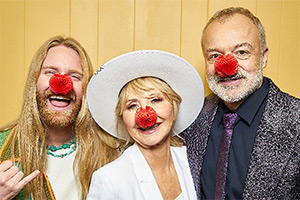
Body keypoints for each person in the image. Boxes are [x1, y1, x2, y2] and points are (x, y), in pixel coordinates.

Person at [184, 7, 300, 200]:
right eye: (214, 56)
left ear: (263, 57)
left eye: (241, 52)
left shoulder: (295, 119)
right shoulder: (193, 118)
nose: (227, 67)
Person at [0, 36, 119, 199]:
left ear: (86, 89)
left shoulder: (113, 153)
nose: (62, 84)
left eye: (75, 76)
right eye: (50, 72)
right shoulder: (2, 146)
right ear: (34, 82)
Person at [86, 50, 204, 199]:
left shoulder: (193, 162)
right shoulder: (109, 180)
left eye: (155, 100)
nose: (146, 115)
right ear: (122, 118)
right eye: (132, 105)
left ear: (174, 108)